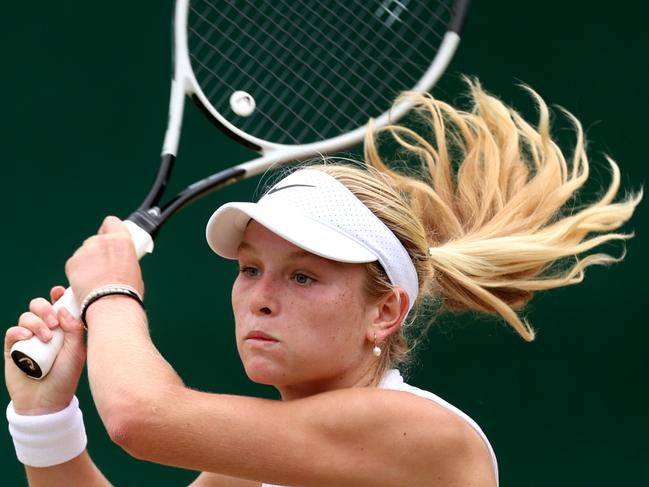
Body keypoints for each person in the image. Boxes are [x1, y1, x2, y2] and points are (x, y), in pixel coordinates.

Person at [4, 80, 641, 487]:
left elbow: (142, 419)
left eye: (303, 275)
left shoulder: (421, 436)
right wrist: (44, 417)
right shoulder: (252, 469)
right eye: (251, 268)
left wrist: (111, 291)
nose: (262, 295)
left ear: (385, 313)